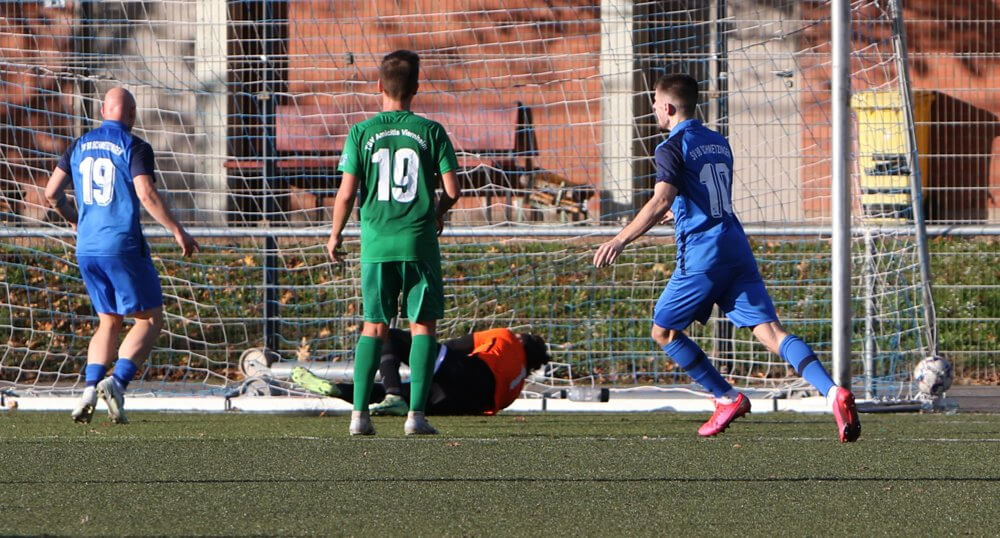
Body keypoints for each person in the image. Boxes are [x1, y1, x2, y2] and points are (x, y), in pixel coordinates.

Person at [593, 74, 861, 442]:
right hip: (735, 247)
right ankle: (833, 392)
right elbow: (705, 194)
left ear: (668, 108)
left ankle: (725, 396)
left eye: (655, 102)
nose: (653, 108)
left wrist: (620, 239)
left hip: (703, 254)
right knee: (771, 332)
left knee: (664, 330)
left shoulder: (670, 147)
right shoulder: (719, 142)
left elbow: (660, 200)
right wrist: (683, 210)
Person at [327, 50, 462, 436]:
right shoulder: (431, 131)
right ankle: (416, 417)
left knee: (374, 327)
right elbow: (453, 187)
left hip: (376, 245)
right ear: (416, 88)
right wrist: (438, 211)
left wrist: (335, 234)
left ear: (379, 87)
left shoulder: (361, 132)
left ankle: (359, 417)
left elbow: (347, 192)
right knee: (423, 327)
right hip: (419, 243)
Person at [44, 87, 199, 424]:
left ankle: (88, 390)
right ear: (131, 114)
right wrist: (176, 229)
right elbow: (145, 191)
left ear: (102, 111)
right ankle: (116, 382)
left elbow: (51, 193)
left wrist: (76, 218)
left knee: (108, 321)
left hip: (87, 248)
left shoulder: (79, 144)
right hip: (122, 245)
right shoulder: (135, 146)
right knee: (150, 318)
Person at [291, 328, 551, 416]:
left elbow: (454, 346)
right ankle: (342, 390)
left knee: (390, 336)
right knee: (401, 398)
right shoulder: (516, 388)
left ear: (524, 341)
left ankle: (388, 392)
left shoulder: (508, 338)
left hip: (469, 372)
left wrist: (430, 358)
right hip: (466, 403)